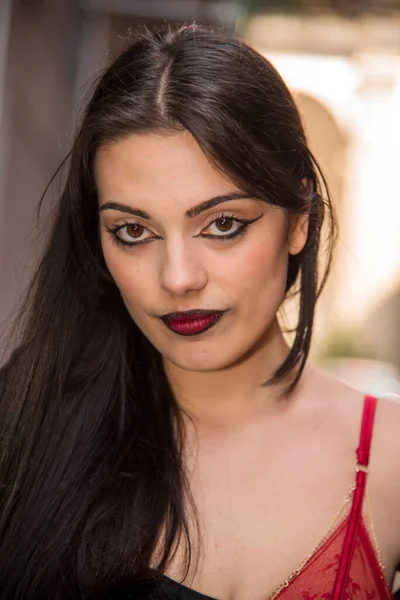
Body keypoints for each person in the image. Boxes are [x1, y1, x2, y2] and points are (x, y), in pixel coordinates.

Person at [0, 23, 399, 600]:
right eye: (134, 231)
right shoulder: (25, 422)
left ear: (300, 220)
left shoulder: (388, 455)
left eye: (223, 225)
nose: (178, 278)